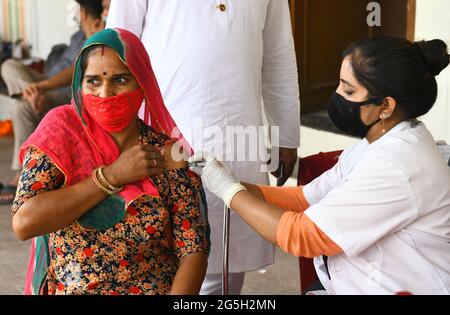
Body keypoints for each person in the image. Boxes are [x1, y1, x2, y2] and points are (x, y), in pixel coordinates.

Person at [189, 37, 450, 295]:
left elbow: (303, 235)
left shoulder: (398, 164)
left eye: (348, 91)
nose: (336, 95)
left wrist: (228, 190)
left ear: (385, 106)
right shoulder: (380, 141)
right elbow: (305, 197)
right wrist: (226, 182)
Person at [106, 0, 301, 295]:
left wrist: (286, 136)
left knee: (228, 258)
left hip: (238, 137)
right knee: (162, 253)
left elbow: (278, 55)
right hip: (164, 135)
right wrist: (112, 136)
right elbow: (117, 49)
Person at [11, 28, 209, 295]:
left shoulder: (165, 152)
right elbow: (24, 223)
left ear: (142, 83)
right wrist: (112, 177)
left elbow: (192, 250)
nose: (106, 93)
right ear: (80, 85)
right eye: (93, 81)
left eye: (120, 79)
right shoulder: (62, 132)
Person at [0, 0, 104, 204]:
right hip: (46, 83)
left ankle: (23, 172)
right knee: (9, 65)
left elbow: (79, 69)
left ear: (82, 12)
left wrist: (43, 87)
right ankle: (30, 96)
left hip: (65, 92)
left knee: (20, 108)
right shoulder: (77, 35)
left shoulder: (97, 35)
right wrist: (38, 87)